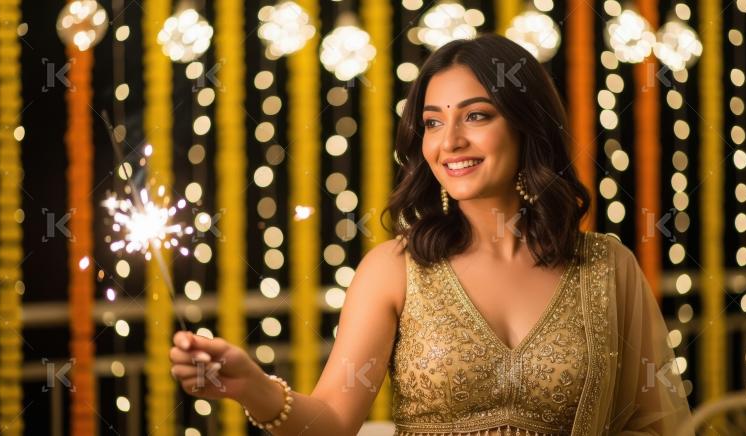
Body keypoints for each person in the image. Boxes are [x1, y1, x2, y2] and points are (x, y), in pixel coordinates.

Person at [170, 33, 694, 435]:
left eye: (477, 116)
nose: (452, 141)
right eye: (434, 123)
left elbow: (653, 425)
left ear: (525, 126)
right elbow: (332, 419)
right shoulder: (394, 268)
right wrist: (255, 389)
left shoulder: (606, 265)